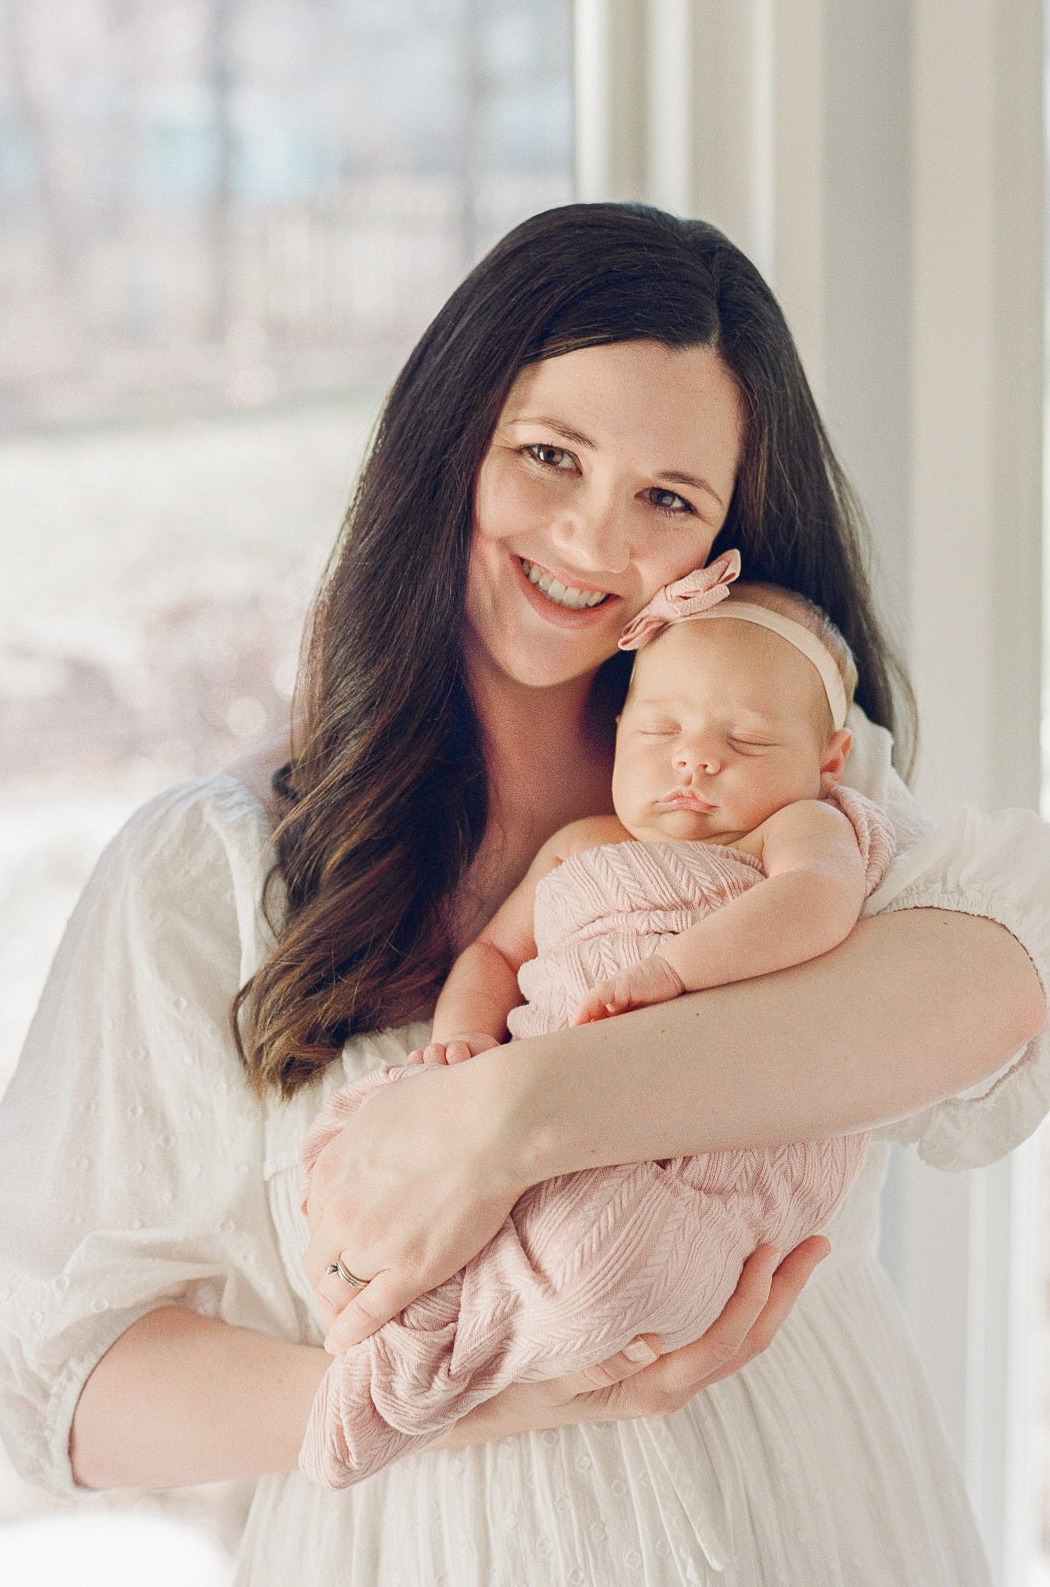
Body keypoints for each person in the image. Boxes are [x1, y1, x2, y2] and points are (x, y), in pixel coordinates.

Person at [0, 203, 1050, 1585]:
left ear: (722, 551)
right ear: (448, 448)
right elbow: (58, 1377)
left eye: (667, 499)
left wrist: (504, 1119)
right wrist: (451, 1403)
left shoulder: (781, 797)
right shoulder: (213, 872)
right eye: (548, 456)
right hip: (425, 1535)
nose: (588, 536)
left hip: (796, 1514)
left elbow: (1000, 986)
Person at [300, 555, 900, 1488]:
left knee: (607, 1258)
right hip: (530, 1091)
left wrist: (674, 969)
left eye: (744, 740)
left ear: (827, 761)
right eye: (661, 729)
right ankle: (423, 1330)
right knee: (353, 1135)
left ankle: (435, 1360)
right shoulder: (580, 847)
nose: (696, 758)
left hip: (693, 1138)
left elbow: (816, 908)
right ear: (618, 734)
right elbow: (494, 958)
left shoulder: (796, 833)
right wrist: (460, 1043)